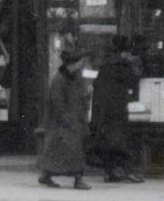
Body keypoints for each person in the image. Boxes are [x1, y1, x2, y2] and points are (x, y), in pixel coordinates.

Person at [90, 36, 145, 182]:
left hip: (103, 111)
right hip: (118, 110)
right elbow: (133, 82)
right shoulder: (123, 66)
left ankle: (110, 172)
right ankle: (129, 171)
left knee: (108, 142)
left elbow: (96, 85)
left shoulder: (104, 65)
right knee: (123, 141)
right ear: (125, 52)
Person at [37, 52, 92, 190]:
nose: (81, 65)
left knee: (59, 151)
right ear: (73, 63)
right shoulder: (60, 79)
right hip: (63, 122)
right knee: (73, 150)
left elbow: (80, 96)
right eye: (79, 62)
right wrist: (69, 118)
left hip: (71, 120)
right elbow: (57, 102)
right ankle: (78, 179)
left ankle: (47, 175)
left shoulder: (74, 77)